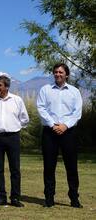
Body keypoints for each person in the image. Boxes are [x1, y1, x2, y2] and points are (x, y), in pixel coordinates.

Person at [36, 63, 83, 208]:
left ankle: (74, 198)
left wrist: (65, 126)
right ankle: (49, 198)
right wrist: (53, 124)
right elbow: (41, 108)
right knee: (49, 167)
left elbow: (77, 112)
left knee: (71, 166)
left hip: (69, 132)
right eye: (55, 72)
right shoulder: (45, 90)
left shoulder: (74, 91)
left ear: (66, 74)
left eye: (61, 72)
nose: (58, 74)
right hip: (50, 132)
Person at [0, 75, 29, 207]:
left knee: (15, 169)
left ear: (7, 87)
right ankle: (1, 197)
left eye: (0, 85)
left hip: (13, 137)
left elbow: (25, 118)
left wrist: (15, 126)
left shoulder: (17, 100)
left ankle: (15, 198)